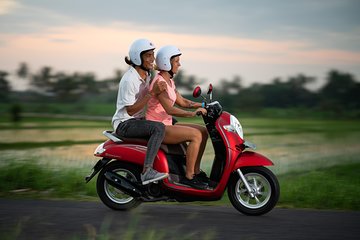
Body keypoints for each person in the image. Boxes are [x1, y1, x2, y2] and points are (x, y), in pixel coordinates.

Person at [146, 45, 209, 189]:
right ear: (166, 63)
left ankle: (196, 171)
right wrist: (192, 114)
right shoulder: (160, 82)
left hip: (167, 124)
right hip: (159, 127)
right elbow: (170, 108)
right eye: (176, 61)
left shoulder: (169, 81)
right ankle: (189, 176)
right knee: (195, 135)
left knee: (204, 132)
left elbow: (183, 102)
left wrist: (205, 105)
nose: (179, 64)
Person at [112, 38, 168, 185]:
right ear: (138, 57)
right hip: (125, 123)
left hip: (138, 120)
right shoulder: (129, 80)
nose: (152, 59)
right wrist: (151, 94)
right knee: (158, 128)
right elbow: (130, 111)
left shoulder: (148, 75)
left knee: (170, 122)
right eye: (148, 55)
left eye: (153, 55)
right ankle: (147, 171)